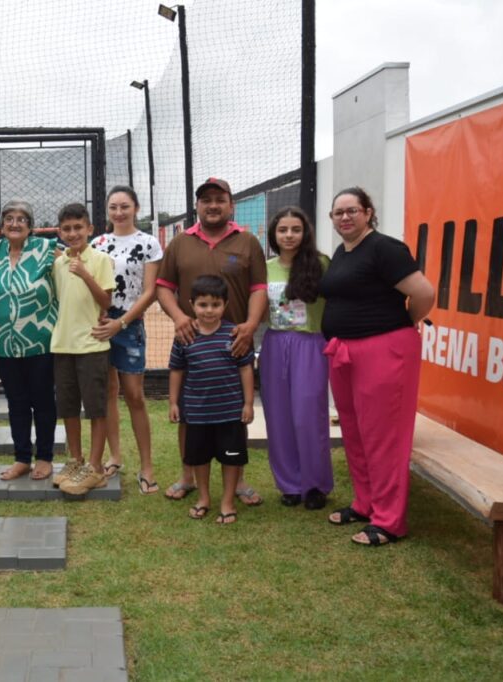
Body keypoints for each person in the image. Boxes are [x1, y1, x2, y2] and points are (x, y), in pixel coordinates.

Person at [320, 187, 434, 546]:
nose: (344, 217)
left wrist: (404, 324)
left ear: (368, 212)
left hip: (384, 350)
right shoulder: (342, 252)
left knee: (384, 437)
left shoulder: (385, 248)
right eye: (338, 213)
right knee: (354, 430)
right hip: (344, 352)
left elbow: (424, 293)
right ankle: (366, 503)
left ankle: (388, 520)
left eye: (352, 210)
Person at [155, 177, 268, 505]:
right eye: (206, 200)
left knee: (235, 414)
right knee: (190, 412)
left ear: (231, 204)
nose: (213, 205)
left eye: (220, 199)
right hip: (193, 342)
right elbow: (163, 286)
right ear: (197, 207)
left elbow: (258, 288)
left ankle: (239, 479)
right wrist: (179, 318)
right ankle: (187, 475)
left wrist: (249, 326)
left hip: (234, 343)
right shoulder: (179, 244)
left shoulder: (247, 242)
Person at [89, 186, 162, 494]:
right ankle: (115, 456)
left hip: (128, 325)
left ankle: (147, 467)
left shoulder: (148, 244)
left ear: (136, 208)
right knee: (107, 393)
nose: (119, 212)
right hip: (100, 323)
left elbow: (150, 292)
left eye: (125, 206)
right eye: (114, 207)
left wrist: (122, 322)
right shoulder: (98, 243)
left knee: (134, 395)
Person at [260, 207, 333, 510]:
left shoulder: (321, 264)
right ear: (274, 235)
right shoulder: (265, 267)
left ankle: (315, 484)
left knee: (308, 416)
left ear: (305, 233)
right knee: (278, 417)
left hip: (310, 344)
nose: (289, 235)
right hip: (275, 344)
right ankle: (289, 484)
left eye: (295, 229)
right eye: (282, 230)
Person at [168, 275, 255, 524]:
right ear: (191, 304)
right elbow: (176, 370)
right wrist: (174, 402)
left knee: (230, 458)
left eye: (215, 305)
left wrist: (248, 403)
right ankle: (204, 498)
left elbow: (246, 369)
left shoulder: (234, 334)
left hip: (229, 413)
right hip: (196, 414)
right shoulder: (185, 336)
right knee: (200, 458)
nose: (209, 310)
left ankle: (227, 501)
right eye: (203, 305)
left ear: (225, 305)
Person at [0, 200, 59, 481]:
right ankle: (22, 458)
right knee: (16, 402)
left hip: (40, 340)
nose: (14, 224)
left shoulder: (45, 249)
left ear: (31, 226)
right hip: (4, 343)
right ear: (2, 226)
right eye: (9, 219)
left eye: (21, 219)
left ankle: (45, 457)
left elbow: (73, 268)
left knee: (42, 401)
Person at [50, 203, 116, 496]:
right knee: (68, 408)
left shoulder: (100, 260)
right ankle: (75, 460)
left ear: (90, 229)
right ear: (59, 232)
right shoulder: (57, 263)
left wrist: (85, 273)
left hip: (91, 345)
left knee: (96, 408)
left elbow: (106, 303)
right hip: (63, 345)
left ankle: (95, 467)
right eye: (67, 229)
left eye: (79, 227)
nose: (73, 233)